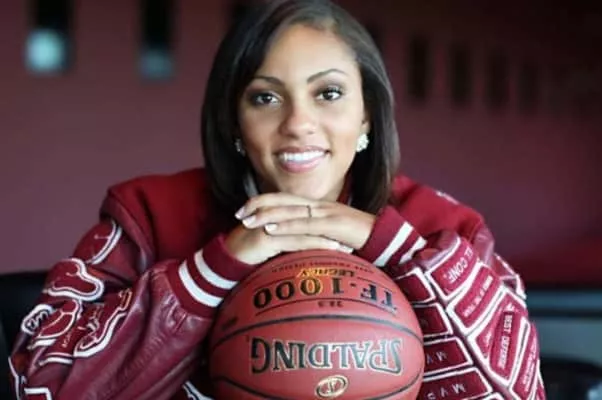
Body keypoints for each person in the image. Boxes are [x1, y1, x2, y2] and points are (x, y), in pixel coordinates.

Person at [9, 0, 546, 399]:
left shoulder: (443, 228)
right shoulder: (148, 214)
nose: (298, 123)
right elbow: (41, 385)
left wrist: (392, 248)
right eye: (265, 98)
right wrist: (213, 271)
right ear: (234, 123)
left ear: (367, 116)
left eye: (328, 93)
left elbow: (517, 391)